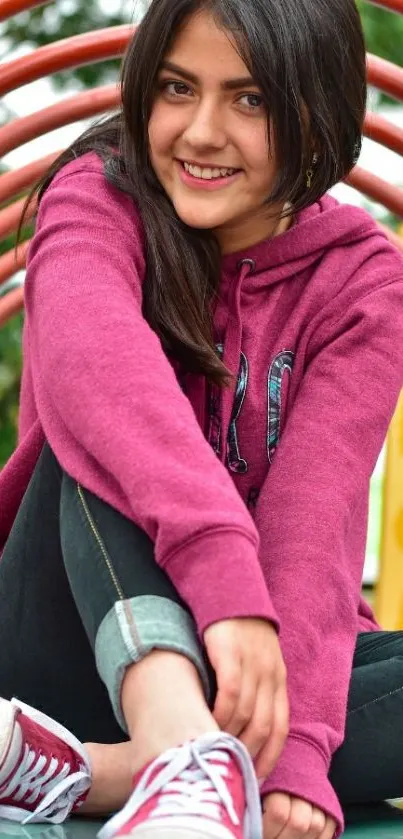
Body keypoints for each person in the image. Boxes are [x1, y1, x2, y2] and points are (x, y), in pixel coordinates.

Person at [0, 0, 403, 837]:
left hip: (257, 657)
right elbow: (93, 363)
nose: (200, 132)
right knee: (103, 429)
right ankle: (181, 747)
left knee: (341, 667)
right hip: (66, 629)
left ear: (316, 109)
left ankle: (103, 772)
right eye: (177, 88)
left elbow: (311, 520)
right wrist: (221, 585)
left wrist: (295, 745)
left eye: (249, 100)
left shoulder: (364, 283)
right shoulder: (94, 196)